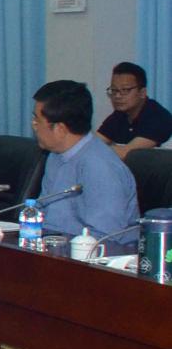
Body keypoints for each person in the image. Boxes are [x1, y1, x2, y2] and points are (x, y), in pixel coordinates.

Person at [31, 81, 140, 240]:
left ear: (60, 129)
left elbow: (105, 238)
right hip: (54, 245)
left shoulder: (101, 167)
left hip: (91, 251)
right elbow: (42, 212)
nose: (34, 126)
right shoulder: (55, 155)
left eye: (37, 121)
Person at [96, 61, 172, 159]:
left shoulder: (158, 117)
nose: (117, 96)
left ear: (142, 93)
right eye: (114, 90)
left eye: (125, 90)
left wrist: (94, 150)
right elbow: (91, 143)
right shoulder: (119, 115)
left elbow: (127, 154)